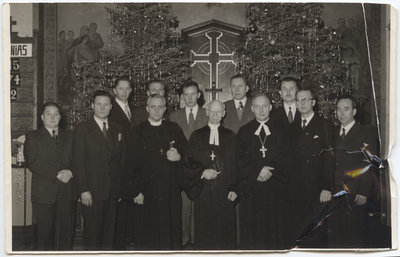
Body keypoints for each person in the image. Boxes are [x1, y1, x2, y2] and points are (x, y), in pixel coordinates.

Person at [124, 94, 187, 250]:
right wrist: (136, 191)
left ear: (165, 109)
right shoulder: (137, 131)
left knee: (169, 235)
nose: (157, 110)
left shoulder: (174, 129)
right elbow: (129, 165)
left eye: (160, 107)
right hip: (146, 192)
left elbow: (187, 157)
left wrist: (179, 157)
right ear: (147, 109)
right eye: (153, 107)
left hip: (169, 192)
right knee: (147, 236)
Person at [73, 90, 125, 250]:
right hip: (92, 192)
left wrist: (120, 188)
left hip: (113, 191)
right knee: (93, 235)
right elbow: (78, 162)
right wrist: (83, 190)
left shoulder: (117, 129)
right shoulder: (83, 129)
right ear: (92, 106)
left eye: (106, 104)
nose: (102, 108)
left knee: (109, 235)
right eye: (98, 104)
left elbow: (121, 161)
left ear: (111, 107)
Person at [236, 94, 289, 250]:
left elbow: (286, 156)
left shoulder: (281, 130)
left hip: (275, 187)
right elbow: (238, 159)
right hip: (252, 189)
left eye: (264, 106)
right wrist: (257, 172)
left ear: (270, 107)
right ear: (252, 109)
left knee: (274, 229)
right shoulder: (244, 131)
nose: (261, 110)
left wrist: (269, 170)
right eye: (257, 106)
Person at [184, 100, 238, 249]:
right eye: (212, 111)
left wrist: (235, 188)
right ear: (207, 112)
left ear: (223, 113)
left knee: (225, 233)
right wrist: (202, 172)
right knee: (205, 232)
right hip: (204, 191)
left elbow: (237, 164)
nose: (215, 114)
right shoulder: (197, 136)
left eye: (218, 111)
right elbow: (188, 162)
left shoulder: (231, 136)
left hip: (225, 191)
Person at [329, 95, 379, 248]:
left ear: (354, 111)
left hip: (355, 193)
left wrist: (364, 191)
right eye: (338, 109)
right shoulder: (333, 131)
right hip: (335, 193)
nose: (341, 113)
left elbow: (370, 164)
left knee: (354, 236)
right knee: (336, 237)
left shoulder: (365, 133)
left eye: (346, 109)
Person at [286, 88, 334, 248]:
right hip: (295, 190)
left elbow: (329, 158)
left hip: (317, 190)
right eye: (299, 100)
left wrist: (327, 187)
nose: (302, 103)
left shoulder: (325, 125)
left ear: (313, 102)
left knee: (316, 233)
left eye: (306, 99)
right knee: (297, 232)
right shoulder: (291, 128)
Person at [24, 102, 75, 250]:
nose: (52, 117)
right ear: (42, 117)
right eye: (48, 114)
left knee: (65, 237)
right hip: (44, 193)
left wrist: (71, 172)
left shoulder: (70, 136)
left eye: (56, 114)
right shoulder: (33, 136)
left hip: (67, 192)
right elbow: (33, 162)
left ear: (60, 117)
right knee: (44, 237)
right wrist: (57, 174)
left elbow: (79, 159)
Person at [169, 80, 208, 248]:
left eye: (193, 94)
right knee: (183, 205)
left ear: (198, 95)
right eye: (186, 94)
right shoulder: (174, 116)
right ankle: (184, 240)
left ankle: (199, 239)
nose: (190, 98)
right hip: (181, 169)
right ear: (182, 97)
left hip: (201, 168)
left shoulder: (207, 115)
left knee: (200, 205)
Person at [108, 78, 135, 249]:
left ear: (131, 90)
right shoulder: (111, 110)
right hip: (119, 162)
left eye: (127, 88)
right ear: (114, 90)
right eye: (121, 88)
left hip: (131, 162)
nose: (124, 92)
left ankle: (127, 239)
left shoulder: (134, 109)